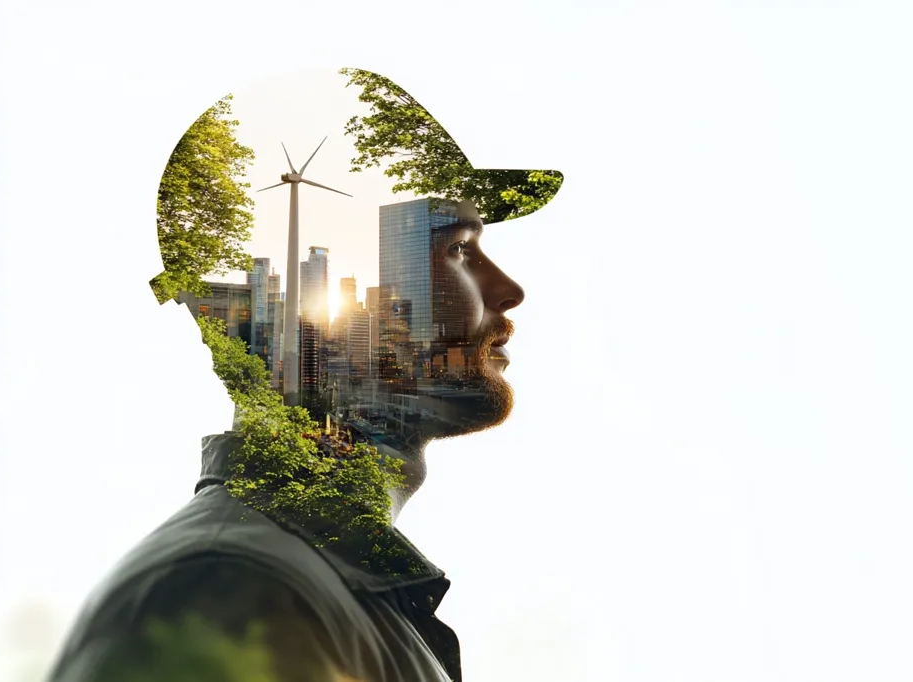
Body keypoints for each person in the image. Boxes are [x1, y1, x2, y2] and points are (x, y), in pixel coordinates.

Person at [47, 74, 561, 682]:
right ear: (305, 302)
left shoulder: (314, 588)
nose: (508, 290)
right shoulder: (234, 595)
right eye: (457, 252)